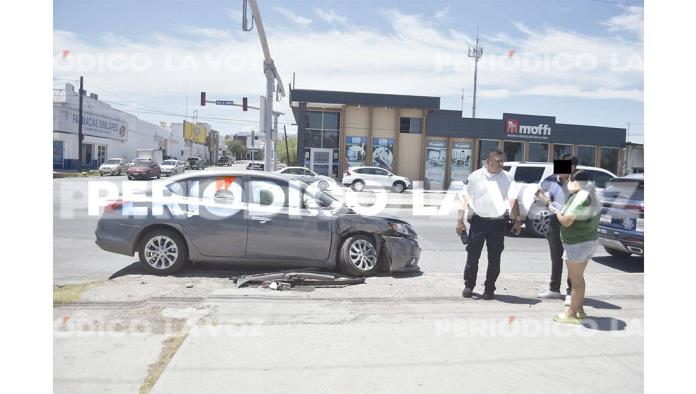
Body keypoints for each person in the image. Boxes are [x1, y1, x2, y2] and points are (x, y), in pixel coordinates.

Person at [456, 150, 522, 300]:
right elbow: (464, 198)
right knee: (472, 257)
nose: (501, 164)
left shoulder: (508, 177)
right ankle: (469, 285)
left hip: (498, 224)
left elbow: (513, 200)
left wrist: (517, 220)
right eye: (497, 161)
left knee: (495, 258)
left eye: (502, 161)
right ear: (488, 162)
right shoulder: (475, 176)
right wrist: (460, 221)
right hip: (478, 222)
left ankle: (489, 288)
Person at [552, 170, 600, 324]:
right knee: (579, 279)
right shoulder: (592, 196)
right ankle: (579, 308)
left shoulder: (578, 197)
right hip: (589, 241)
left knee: (575, 280)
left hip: (576, 243)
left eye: (569, 181)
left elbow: (566, 221)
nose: (567, 184)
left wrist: (557, 212)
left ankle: (571, 313)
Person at [536, 154, 577, 305]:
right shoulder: (552, 179)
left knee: (571, 259)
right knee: (556, 258)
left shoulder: (578, 181)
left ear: (572, 167)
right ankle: (554, 289)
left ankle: (571, 293)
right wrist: (547, 201)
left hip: (572, 224)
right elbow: (538, 191)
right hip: (554, 222)